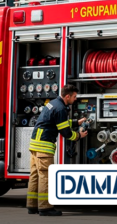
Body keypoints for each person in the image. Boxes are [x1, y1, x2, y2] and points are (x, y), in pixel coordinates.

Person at [26, 84, 86, 216]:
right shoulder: (61, 109)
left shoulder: (53, 103)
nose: (75, 99)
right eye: (74, 97)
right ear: (67, 96)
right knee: (45, 177)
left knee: (35, 176)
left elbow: (58, 122)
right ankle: (45, 207)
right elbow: (65, 132)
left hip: (35, 145)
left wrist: (77, 122)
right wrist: (78, 136)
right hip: (44, 147)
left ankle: (32, 205)